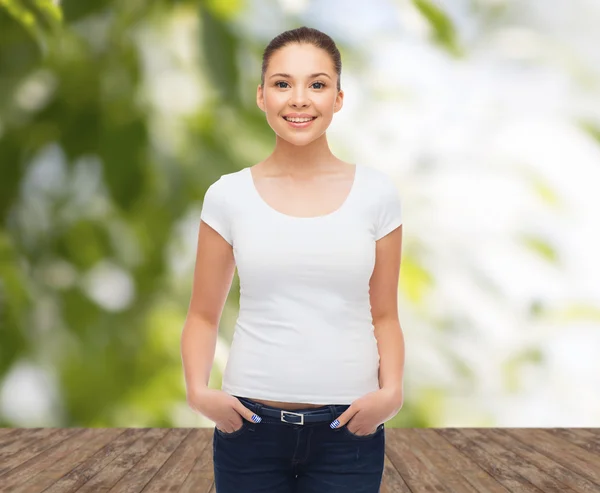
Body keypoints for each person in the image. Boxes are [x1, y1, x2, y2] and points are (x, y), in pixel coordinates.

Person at [181, 26, 405, 493]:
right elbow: (203, 313)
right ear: (261, 96)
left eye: (317, 84)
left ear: (339, 98)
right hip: (249, 427)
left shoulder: (377, 195)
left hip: (350, 430)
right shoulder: (228, 196)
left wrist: (391, 395)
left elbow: (384, 313)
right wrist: (200, 393)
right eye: (283, 84)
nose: (299, 99)